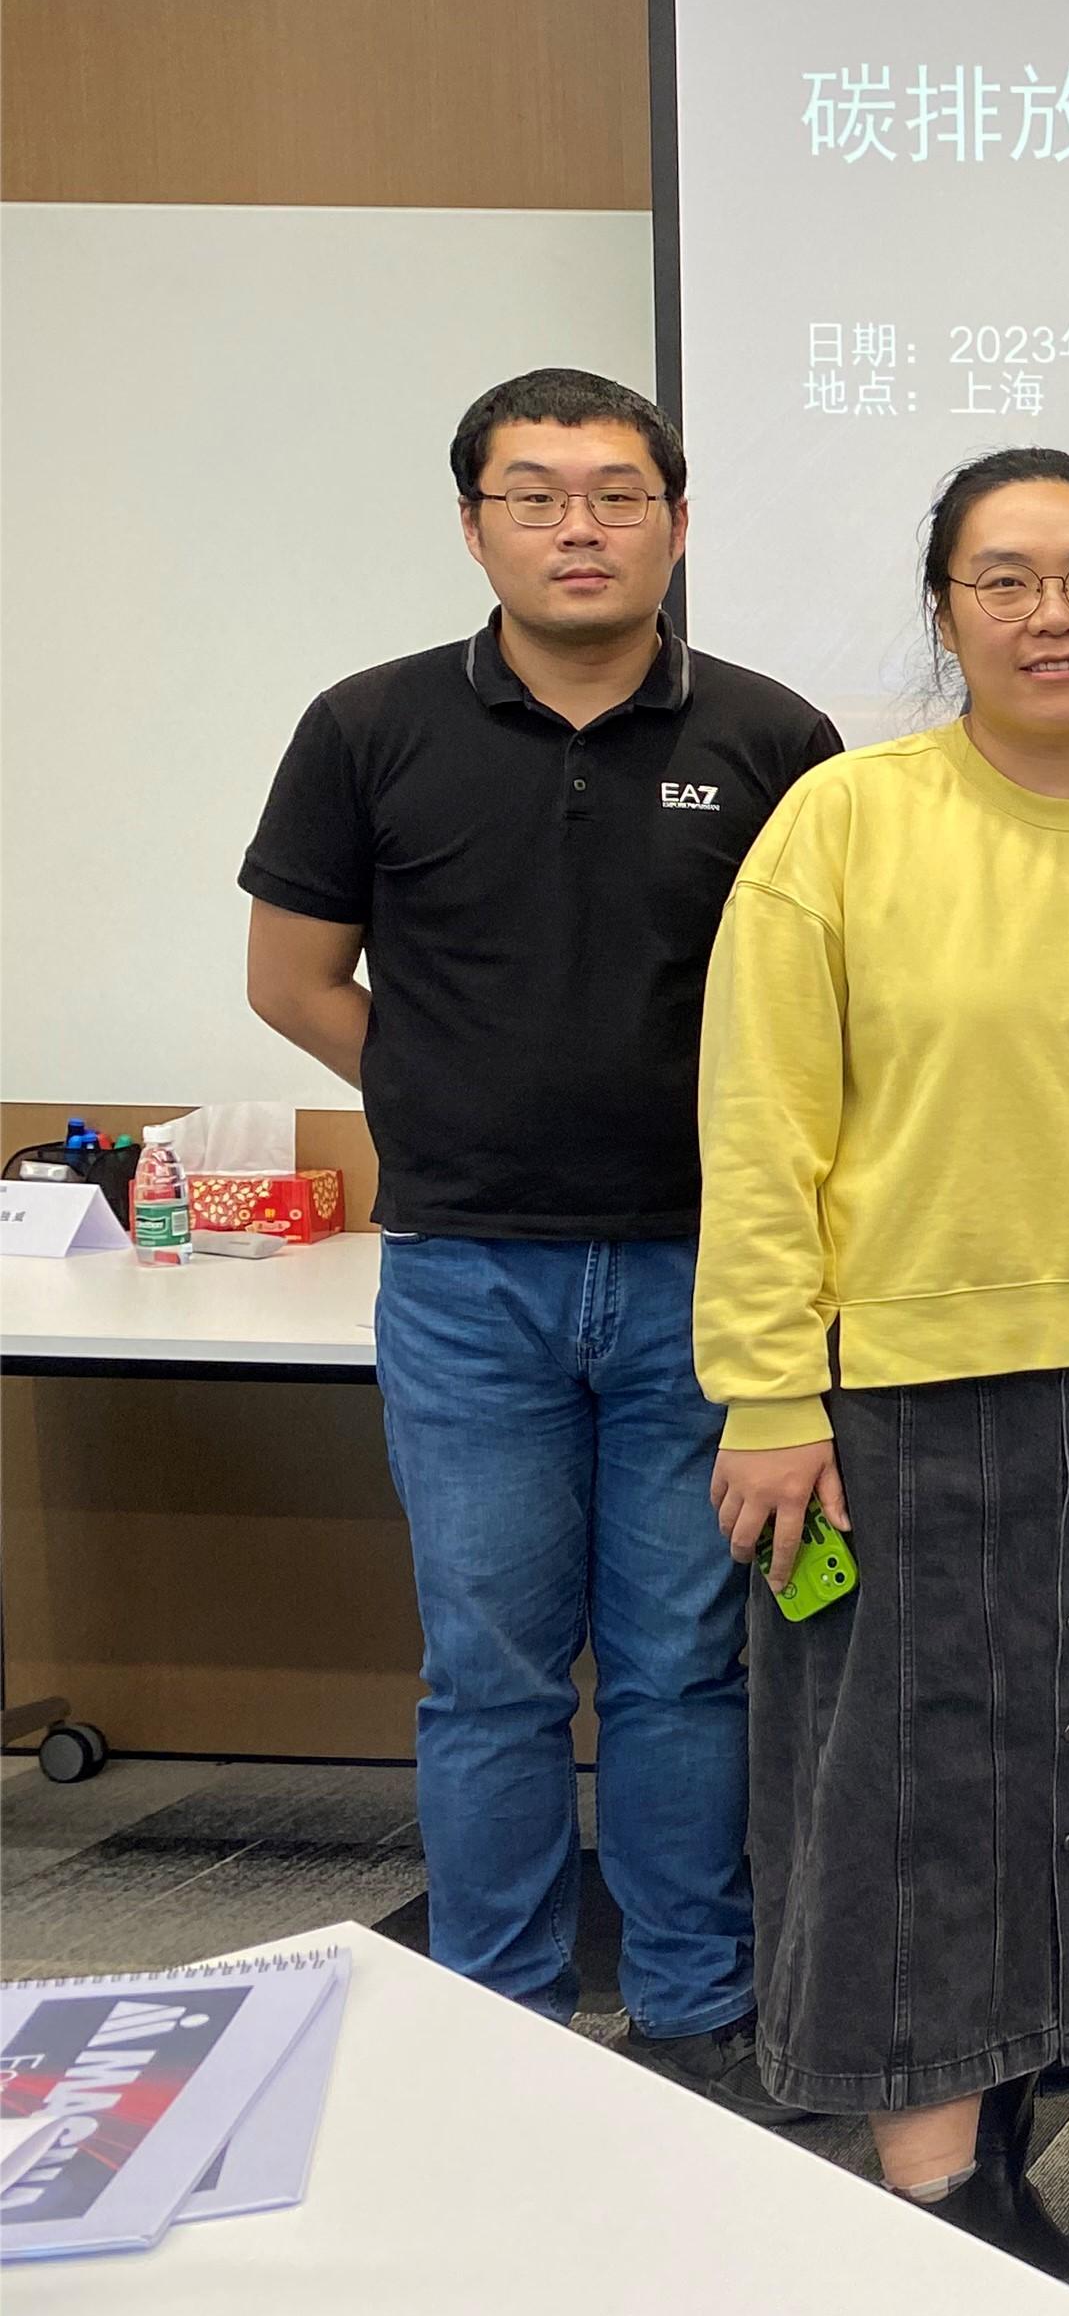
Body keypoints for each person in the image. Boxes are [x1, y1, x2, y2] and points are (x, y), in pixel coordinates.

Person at [698, 448, 1069, 2279]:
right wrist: (769, 1391)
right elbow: (761, 1130)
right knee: (916, 1784)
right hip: (898, 1391)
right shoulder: (845, 823)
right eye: (1007, 578)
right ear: (944, 609)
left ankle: (1004, 2140)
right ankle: (933, 2194)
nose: (1053, 613)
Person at [241, 369, 836, 2117]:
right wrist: (445, 1092)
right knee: (488, 1674)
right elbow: (292, 981)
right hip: (466, 1275)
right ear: (473, 524)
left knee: (682, 1667)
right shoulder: (368, 726)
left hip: (702, 1273)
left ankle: (693, 1997)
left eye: (617, 494)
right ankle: (492, 2005)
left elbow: (824, 1009)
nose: (579, 527)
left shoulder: (773, 738)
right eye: (535, 495)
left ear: (676, 520)